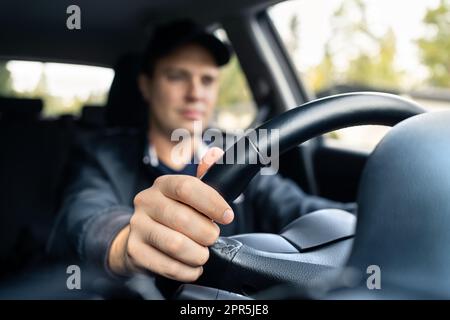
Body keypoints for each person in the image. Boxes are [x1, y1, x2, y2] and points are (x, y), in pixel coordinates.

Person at [49, 19, 355, 283]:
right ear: (146, 85)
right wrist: (125, 244)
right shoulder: (101, 154)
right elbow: (86, 215)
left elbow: (302, 209)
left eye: (207, 80)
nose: (195, 93)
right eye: (177, 76)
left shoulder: (239, 157)